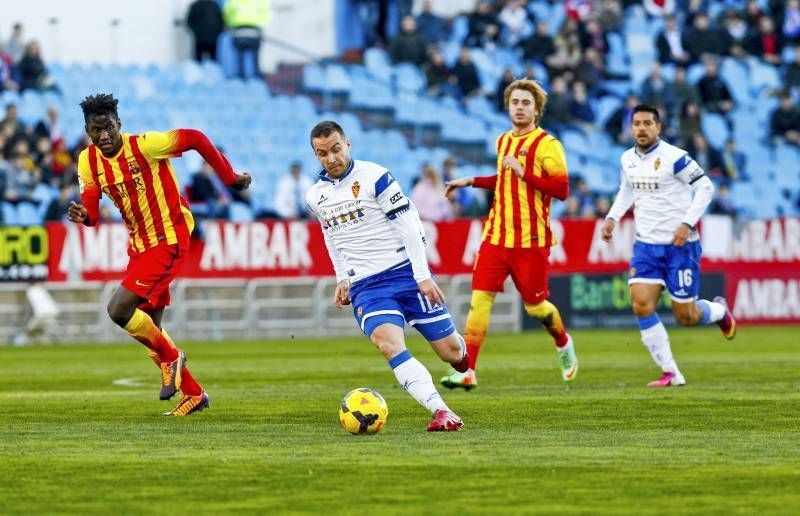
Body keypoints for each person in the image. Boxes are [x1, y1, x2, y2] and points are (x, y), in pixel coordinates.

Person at [66, 93, 251, 415]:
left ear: (119, 124)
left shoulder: (146, 146)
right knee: (151, 330)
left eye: (108, 127)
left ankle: (173, 358)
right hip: (139, 246)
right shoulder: (88, 161)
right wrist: (86, 217)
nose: (104, 136)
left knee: (118, 310)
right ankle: (194, 394)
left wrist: (230, 177)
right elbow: (93, 212)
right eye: (96, 130)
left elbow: (194, 138)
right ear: (87, 131)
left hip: (169, 238)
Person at [305, 120, 465, 432]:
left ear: (348, 144)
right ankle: (442, 410)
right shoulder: (316, 196)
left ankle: (463, 358)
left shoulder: (374, 176)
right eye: (323, 153)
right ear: (316, 156)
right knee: (389, 344)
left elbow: (409, 225)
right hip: (367, 286)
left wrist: (422, 275)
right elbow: (330, 235)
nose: (331, 158)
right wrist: (342, 277)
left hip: (406, 273)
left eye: (336, 149)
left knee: (452, 353)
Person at [439, 79, 579, 390]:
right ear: (507, 106)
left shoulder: (548, 145)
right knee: (480, 301)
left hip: (531, 242)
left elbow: (562, 190)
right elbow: (504, 181)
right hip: (496, 237)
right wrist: (470, 180)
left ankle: (562, 341)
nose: (519, 107)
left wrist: (523, 172)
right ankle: (467, 370)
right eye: (515, 102)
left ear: (537, 109)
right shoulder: (503, 141)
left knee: (536, 308)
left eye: (526, 103)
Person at [600, 105, 736, 388]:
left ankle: (720, 312)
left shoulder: (675, 158)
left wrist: (687, 224)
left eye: (648, 123)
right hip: (646, 247)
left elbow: (706, 187)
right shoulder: (627, 159)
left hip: (680, 247)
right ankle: (671, 371)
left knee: (686, 317)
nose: (641, 128)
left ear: (658, 128)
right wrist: (613, 216)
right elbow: (627, 190)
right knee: (641, 304)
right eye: (636, 123)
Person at [223, 0, 271, 79]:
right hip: (254, 31)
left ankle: (241, 78)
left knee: (240, 58)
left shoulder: (233, 1)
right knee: (255, 59)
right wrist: (261, 25)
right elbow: (266, 14)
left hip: (238, 31)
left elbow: (227, 14)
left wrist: (230, 24)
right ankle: (256, 77)